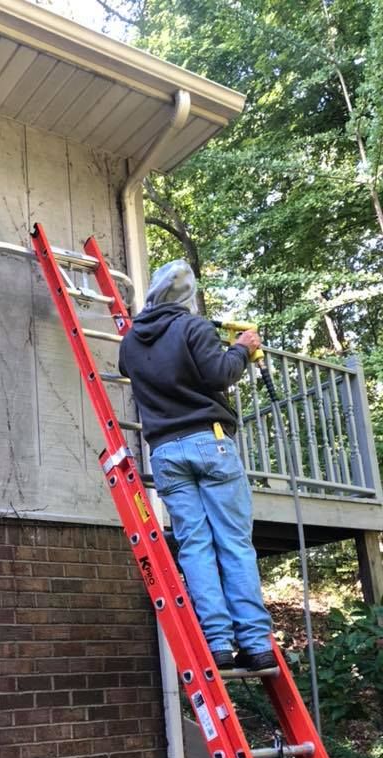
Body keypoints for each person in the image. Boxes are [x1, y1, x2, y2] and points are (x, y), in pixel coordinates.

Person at [118, 259, 275, 672]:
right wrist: (242, 347)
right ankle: (256, 644)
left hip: (166, 453)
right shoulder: (194, 327)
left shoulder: (131, 342)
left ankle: (218, 644)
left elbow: (127, 367)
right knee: (234, 543)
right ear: (186, 297)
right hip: (211, 442)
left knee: (195, 546)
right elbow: (220, 373)